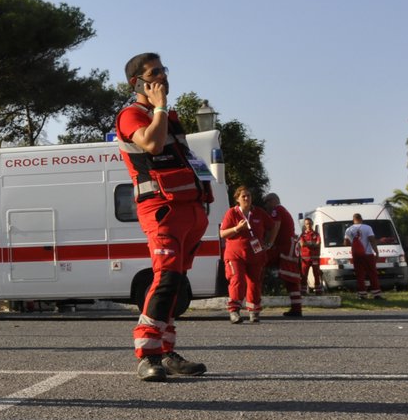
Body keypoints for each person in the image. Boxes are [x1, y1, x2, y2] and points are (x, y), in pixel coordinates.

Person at [114, 54, 211, 381]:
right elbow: (153, 145)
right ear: (136, 83)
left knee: (176, 283)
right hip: (161, 209)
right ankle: (147, 355)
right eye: (155, 73)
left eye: (164, 71)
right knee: (166, 278)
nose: (163, 77)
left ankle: (167, 353)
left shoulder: (169, 116)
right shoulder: (131, 115)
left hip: (188, 210)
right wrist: (158, 107)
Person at [219, 187, 269, 323]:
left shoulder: (259, 212)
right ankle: (234, 311)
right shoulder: (232, 213)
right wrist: (237, 228)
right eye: (243, 196)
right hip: (235, 255)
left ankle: (254, 311)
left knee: (254, 282)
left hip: (255, 255)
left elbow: (274, 225)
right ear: (237, 199)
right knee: (237, 280)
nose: (247, 198)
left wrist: (269, 242)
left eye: (248, 196)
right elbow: (222, 233)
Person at [263, 193, 303, 317]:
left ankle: (253, 300)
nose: (266, 206)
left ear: (272, 201)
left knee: (259, 263)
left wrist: (268, 244)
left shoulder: (277, 210)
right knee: (291, 279)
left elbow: (275, 226)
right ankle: (296, 307)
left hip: (284, 249)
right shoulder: (282, 210)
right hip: (288, 248)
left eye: (266, 202)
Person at [344, 212, 385, 299]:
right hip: (368, 254)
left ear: (353, 220)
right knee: (372, 273)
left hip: (356, 255)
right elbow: (372, 240)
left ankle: (362, 294)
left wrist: (353, 243)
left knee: (359, 274)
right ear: (361, 219)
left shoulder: (349, 229)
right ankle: (376, 294)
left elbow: (345, 243)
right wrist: (376, 252)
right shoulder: (367, 228)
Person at [299, 217, 324, 294]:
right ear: (305, 225)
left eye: (310, 223)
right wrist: (313, 243)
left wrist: (308, 244)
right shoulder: (302, 235)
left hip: (315, 258)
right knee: (303, 275)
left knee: (316, 274)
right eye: (307, 224)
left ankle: (318, 291)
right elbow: (302, 244)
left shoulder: (316, 234)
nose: (308, 225)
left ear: (312, 224)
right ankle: (303, 291)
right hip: (305, 258)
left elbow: (318, 244)